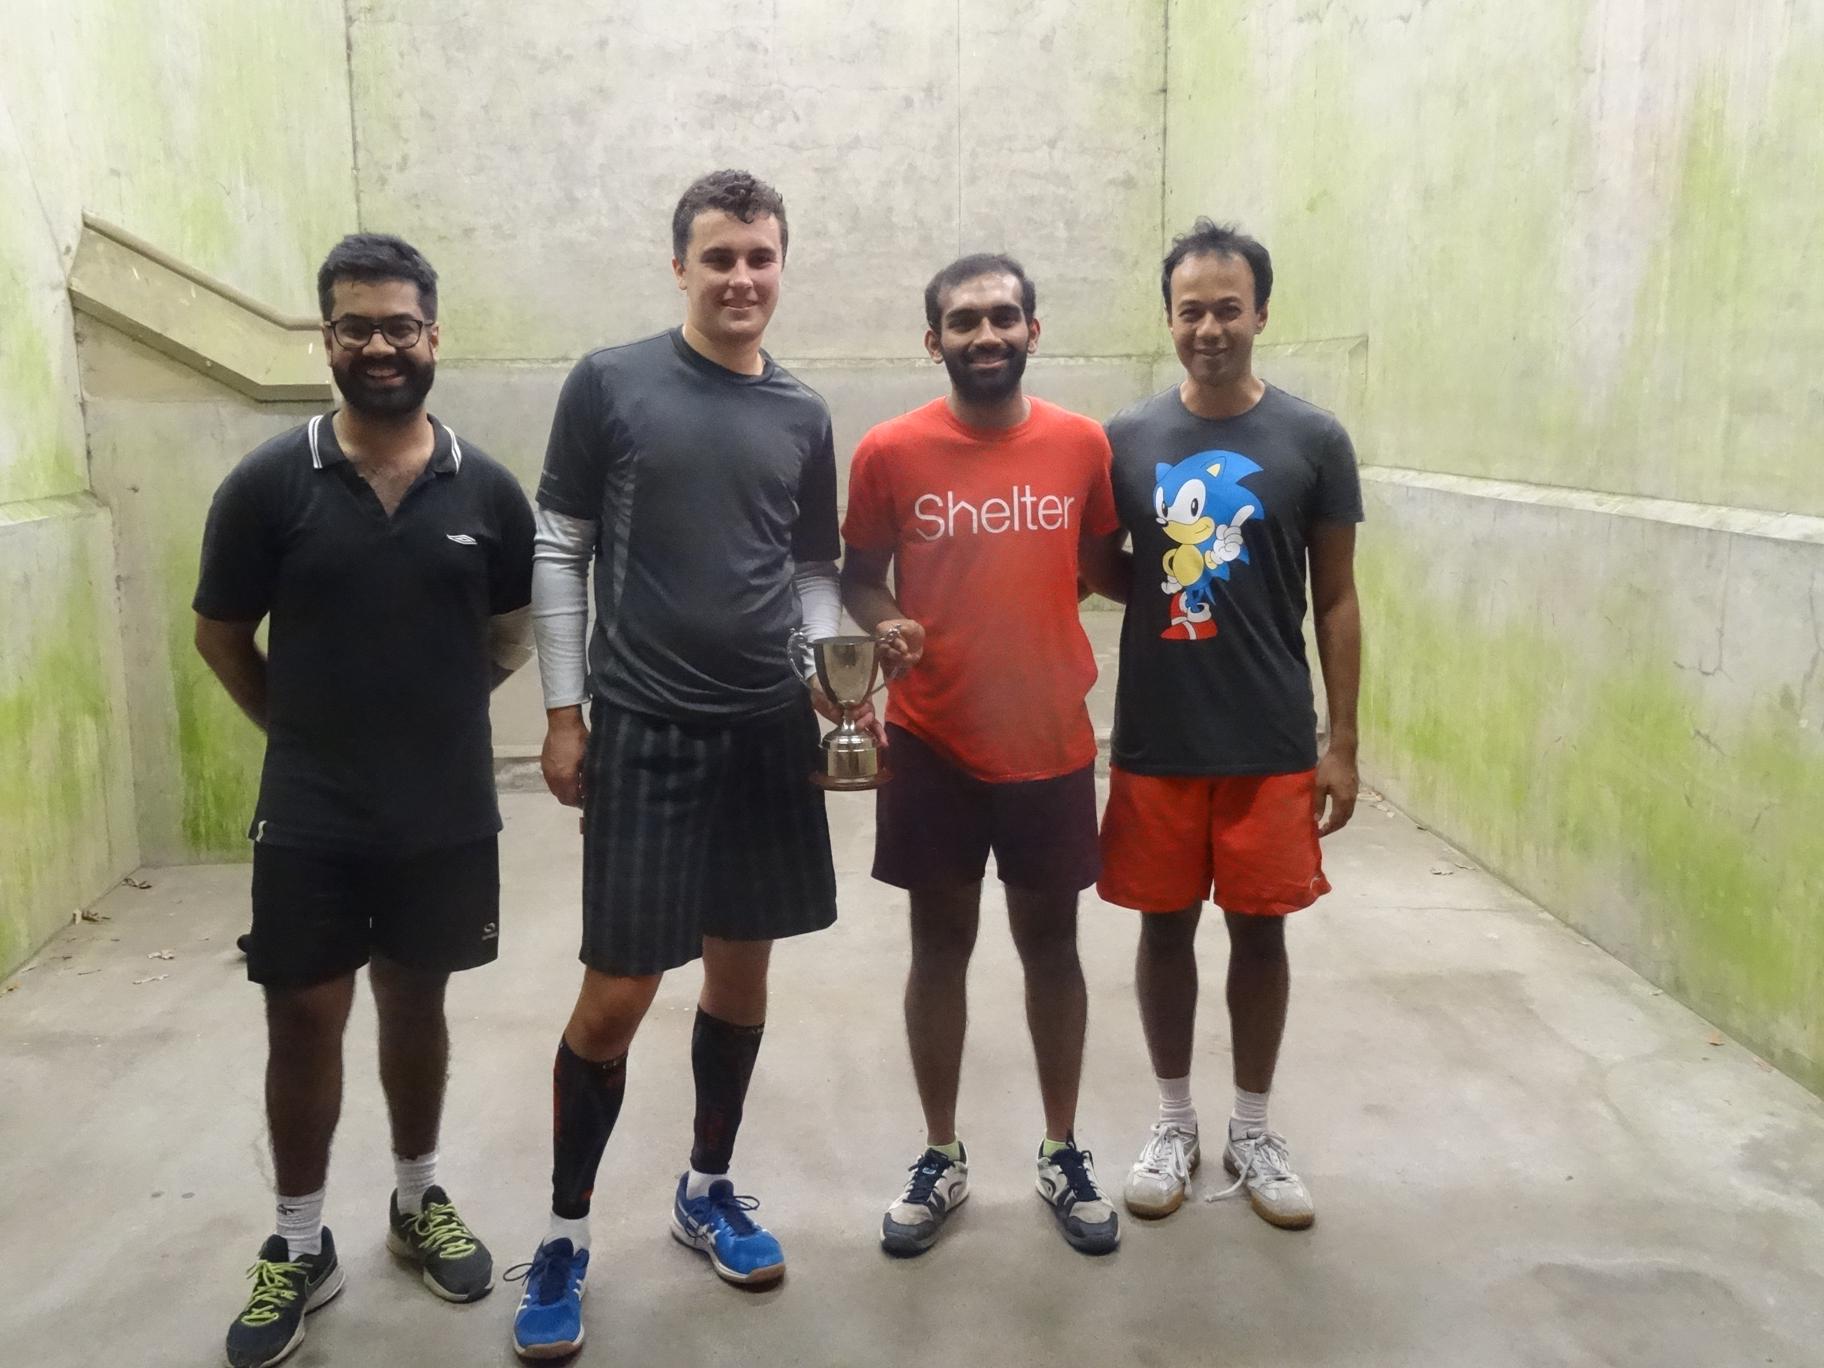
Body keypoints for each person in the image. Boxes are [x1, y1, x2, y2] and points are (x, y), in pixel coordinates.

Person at [509, 169, 847, 1361]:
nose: (742, 277)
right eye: (720, 258)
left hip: (768, 729)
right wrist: (565, 711)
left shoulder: (804, 414)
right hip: (644, 727)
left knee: (741, 981)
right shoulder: (611, 382)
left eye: (761, 256)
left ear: (781, 262)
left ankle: (708, 1186)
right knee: (615, 998)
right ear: (681, 266)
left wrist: (829, 670)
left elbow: (809, 573)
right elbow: (562, 550)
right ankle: (563, 1232)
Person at [195, 233, 535, 1368]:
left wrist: (429, 718)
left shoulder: (485, 489)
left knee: (417, 1004)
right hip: (311, 814)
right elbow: (220, 634)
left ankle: (415, 1200)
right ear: (326, 340)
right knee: (303, 1015)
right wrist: (301, 730)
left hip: (443, 811)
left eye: (399, 325)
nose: (379, 345)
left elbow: (507, 633)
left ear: (434, 338)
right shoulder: (266, 484)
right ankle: (298, 1242)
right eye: (356, 326)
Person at [840, 254, 1126, 1257]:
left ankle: (1061, 1149)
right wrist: (886, 627)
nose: (987, 334)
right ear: (935, 341)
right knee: (939, 949)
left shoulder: (1085, 446)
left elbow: (1102, 567)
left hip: (1050, 745)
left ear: (1034, 331)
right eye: (964, 322)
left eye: (1005, 317)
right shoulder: (888, 452)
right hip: (932, 745)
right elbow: (859, 582)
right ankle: (941, 1153)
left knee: (1053, 949)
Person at [1085, 219, 1363, 1230]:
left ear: (1261, 313)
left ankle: (1252, 1128)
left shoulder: (1314, 440)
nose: (1210, 327)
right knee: (1164, 929)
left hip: (1271, 739)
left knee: (1260, 934)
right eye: (1191, 310)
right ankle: (1172, 1122)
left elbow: (1334, 597)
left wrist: (1343, 743)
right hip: (1159, 738)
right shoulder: (1126, 441)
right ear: (1169, 317)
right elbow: (1102, 565)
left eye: (1228, 308)